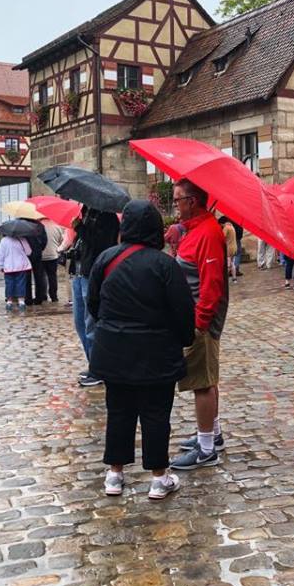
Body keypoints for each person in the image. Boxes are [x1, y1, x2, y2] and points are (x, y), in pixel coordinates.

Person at [87, 200, 196, 500]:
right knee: (156, 414)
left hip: (115, 350)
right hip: (156, 352)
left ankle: (115, 474)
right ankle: (159, 478)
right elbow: (182, 310)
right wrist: (184, 338)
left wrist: (111, 329)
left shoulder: (106, 259)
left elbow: (93, 304)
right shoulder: (165, 265)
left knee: (118, 410)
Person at [170, 179, 229, 470]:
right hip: (194, 316)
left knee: (201, 383)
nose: (175, 205)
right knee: (208, 378)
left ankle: (206, 449)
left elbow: (212, 284)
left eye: (177, 200)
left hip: (199, 320)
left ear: (192, 201)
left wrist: (199, 323)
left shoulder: (208, 232)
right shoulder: (196, 230)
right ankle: (212, 434)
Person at [72, 208, 121, 387]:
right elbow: (84, 244)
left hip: (93, 272)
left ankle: (99, 369)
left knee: (91, 322)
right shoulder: (86, 212)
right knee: (79, 323)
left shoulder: (107, 217)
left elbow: (102, 244)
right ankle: (94, 363)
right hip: (79, 271)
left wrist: (80, 228)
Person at [0, 232, 32, 313]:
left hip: (8, 266)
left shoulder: (4, 241)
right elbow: (29, 252)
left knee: (9, 283)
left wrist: (1, 265)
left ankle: (9, 302)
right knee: (21, 283)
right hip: (21, 266)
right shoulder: (22, 239)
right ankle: (21, 302)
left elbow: (0, 254)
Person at [40, 218, 65, 303]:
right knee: (52, 276)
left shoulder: (37, 226)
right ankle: (54, 296)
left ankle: (43, 296)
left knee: (41, 276)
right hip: (53, 255)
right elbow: (61, 241)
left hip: (40, 256)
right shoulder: (56, 226)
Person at [24, 220, 48, 305]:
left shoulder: (22, 226)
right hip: (37, 253)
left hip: (25, 255)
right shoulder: (39, 225)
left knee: (27, 278)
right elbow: (45, 240)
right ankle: (39, 298)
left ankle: (28, 299)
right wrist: (40, 249)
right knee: (39, 277)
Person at [219, 216, 238, 283]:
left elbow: (222, 237)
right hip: (234, 247)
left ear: (222, 223)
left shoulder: (226, 228)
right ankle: (234, 278)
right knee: (232, 263)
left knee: (228, 264)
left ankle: (224, 280)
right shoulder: (231, 226)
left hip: (229, 248)